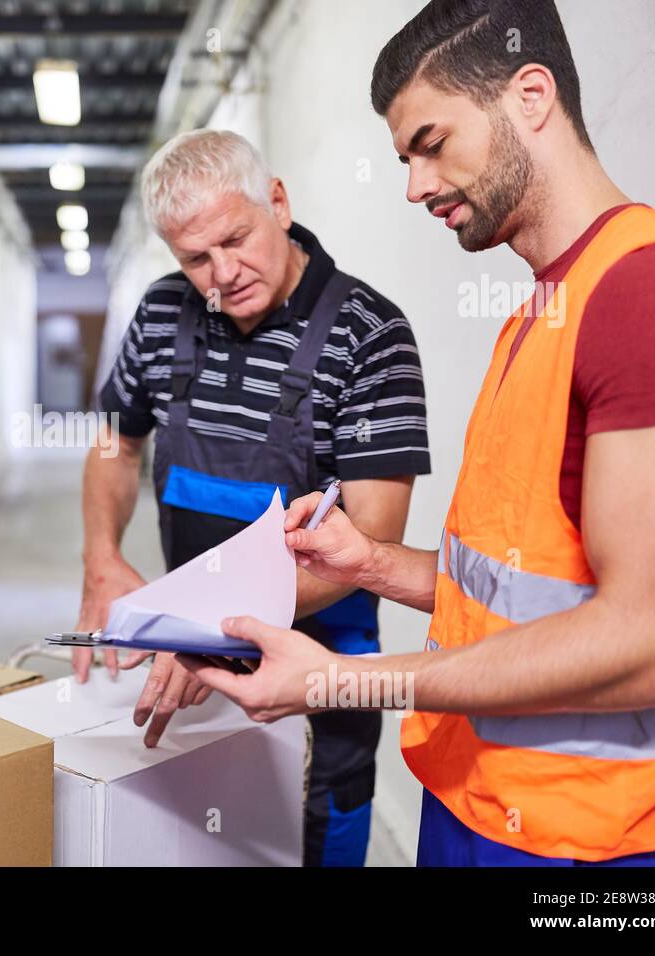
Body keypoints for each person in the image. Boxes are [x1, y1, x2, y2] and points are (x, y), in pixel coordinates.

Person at [184, 0, 655, 866]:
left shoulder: (645, 295)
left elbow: (645, 639)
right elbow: (522, 590)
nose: (415, 185)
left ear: (530, 96)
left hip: (608, 843)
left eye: (430, 143)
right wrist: (373, 565)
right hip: (481, 803)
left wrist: (336, 678)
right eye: (404, 158)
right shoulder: (542, 310)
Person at [77, 130, 432, 865]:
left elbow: (372, 537)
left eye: (236, 239)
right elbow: (116, 440)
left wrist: (208, 624)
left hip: (319, 670)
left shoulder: (370, 335)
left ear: (277, 200)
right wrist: (101, 555)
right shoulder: (161, 313)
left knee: (311, 840)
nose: (223, 274)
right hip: (192, 663)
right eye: (194, 258)